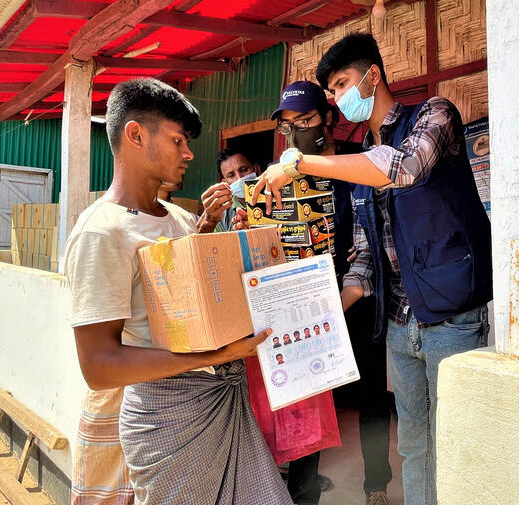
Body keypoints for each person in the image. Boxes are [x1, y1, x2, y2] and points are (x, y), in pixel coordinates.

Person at [253, 35, 492, 505]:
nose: (341, 97)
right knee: (416, 442)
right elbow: (363, 257)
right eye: (334, 91)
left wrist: (300, 165)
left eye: (343, 84)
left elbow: (401, 168)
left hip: (454, 315)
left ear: (373, 76)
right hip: (401, 322)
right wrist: (323, 317)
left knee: (458, 442)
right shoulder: (360, 154)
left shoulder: (434, 115)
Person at [64, 78, 291, 505]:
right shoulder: (101, 232)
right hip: (167, 421)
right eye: (177, 140)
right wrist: (215, 357)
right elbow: (98, 365)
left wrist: (224, 239)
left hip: (221, 398)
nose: (189, 153)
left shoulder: (181, 217)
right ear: (135, 135)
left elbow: (199, 300)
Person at [269, 79, 393, 505]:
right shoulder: (285, 176)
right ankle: (301, 496)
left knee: (372, 397)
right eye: (289, 126)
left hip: (360, 297)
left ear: (329, 119)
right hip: (308, 305)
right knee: (309, 400)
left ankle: (376, 484)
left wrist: (347, 298)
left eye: (306, 120)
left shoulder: (359, 166)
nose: (298, 132)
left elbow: (374, 239)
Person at [202, 148, 261, 232]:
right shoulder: (221, 213)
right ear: (225, 183)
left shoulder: (276, 197)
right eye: (231, 175)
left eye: (244, 170)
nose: (239, 178)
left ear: (257, 169)